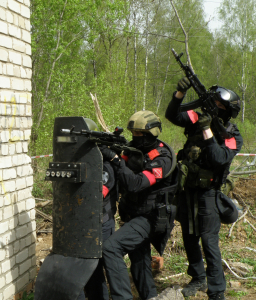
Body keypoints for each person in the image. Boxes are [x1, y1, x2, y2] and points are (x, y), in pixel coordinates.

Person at [165, 78, 243, 300]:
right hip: (187, 188)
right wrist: (180, 93)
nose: (214, 107)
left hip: (209, 192)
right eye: (213, 102)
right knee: (189, 235)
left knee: (209, 241)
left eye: (219, 105)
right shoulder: (197, 119)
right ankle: (198, 278)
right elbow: (173, 115)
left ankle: (217, 290)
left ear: (228, 111)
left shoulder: (232, 134)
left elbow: (218, 159)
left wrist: (208, 129)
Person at [99, 111, 176, 300]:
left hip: (151, 217)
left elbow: (135, 184)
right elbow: (120, 170)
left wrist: (115, 160)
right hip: (134, 214)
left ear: (152, 133)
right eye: (133, 133)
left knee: (110, 248)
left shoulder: (162, 158)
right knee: (139, 262)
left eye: (140, 134)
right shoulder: (134, 149)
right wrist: (112, 149)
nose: (135, 137)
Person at [77, 118, 118, 300]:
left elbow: (96, 193)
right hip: (85, 224)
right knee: (88, 269)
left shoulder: (105, 164)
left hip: (102, 224)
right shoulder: (83, 161)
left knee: (99, 268)